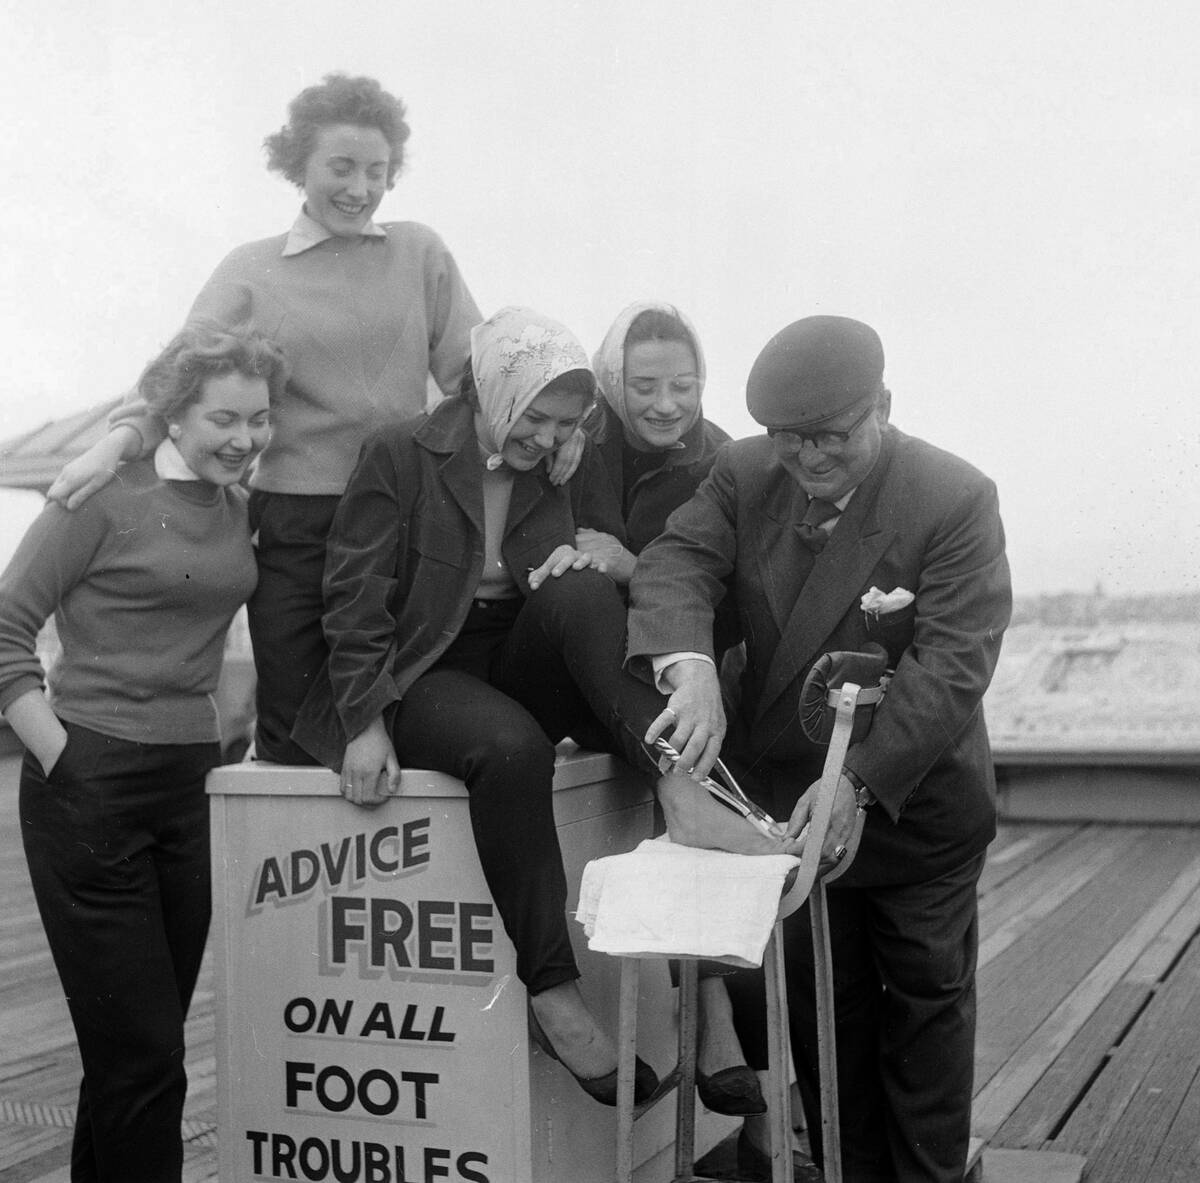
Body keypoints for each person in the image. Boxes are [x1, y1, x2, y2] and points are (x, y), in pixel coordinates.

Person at [625, 316, 1012, 1182]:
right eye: (789, 441)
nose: (808, 461)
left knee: (925, 1020)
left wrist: (860, 783)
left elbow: (951, 666)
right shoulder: (742, 473)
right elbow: (673, 565)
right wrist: (689, 670)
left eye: (830, 437)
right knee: (824, 1028)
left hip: (914, 813)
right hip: (787, 826)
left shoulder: (954, 496)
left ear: (882, 405)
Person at [48, 73, 482, 764]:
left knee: (403, 724)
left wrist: (560, 426)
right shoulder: (252, 270)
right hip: (299, 525)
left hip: (408, 519)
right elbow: (177, 377)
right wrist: (115, 448)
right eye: (341, 167)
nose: (360, 187)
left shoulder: (420, 252)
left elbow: (478, 377)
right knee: (296, 731)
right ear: (298, 164)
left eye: (377, 171)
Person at [292, 306, 661, 1107]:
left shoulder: (561, 463)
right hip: (426, 662)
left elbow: (575, 594)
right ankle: (553, 992)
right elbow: (354, 598)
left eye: (567, 422)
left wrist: (579, 534)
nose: (548, 436)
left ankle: (681, 783)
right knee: (511, 749)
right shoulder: (401, 451)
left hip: (515, 649)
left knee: (589, 586)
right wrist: (364, 721)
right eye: (536, 416)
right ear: (495, 387)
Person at [0, 323, 286, 1182]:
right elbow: (5, 624)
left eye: (260, 420)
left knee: (133, 1053)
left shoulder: (237, 506)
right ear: (171, 414)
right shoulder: (100, 496)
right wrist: (61, 753)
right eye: (224, 419)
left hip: (189, 787)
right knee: (147, 1054)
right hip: (88, 785)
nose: (245, 438)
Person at [576, 301, 730, 583]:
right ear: (613, 384)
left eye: (682, 386)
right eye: (644, 388)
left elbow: (723, 586)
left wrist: (632, 568)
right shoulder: (572, 441)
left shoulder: (724, 463)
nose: (666, 405)